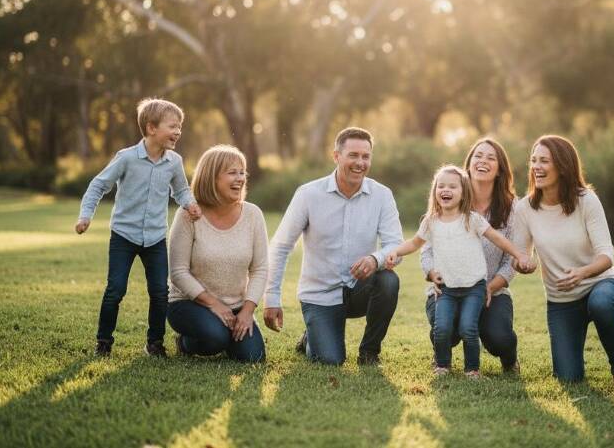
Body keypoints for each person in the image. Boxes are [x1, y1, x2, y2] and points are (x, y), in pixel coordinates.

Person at [263, 127, 403, 366]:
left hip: (358, 289)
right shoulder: (308, 194)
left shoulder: (382, 195)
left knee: (388, 280)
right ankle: (313, 334)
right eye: (353, 155)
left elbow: (395, 245)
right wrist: (272, 298)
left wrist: (374, 259)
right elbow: (281, 246)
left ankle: (369, 352)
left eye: (365, 156)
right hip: (320, 294)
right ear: (336, 156)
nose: (360, 162)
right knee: (330, 359)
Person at [76, 97, 201, 358]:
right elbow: (98, 185)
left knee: (159, 293)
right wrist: (85, 216)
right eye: (173, 126)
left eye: (180, 127)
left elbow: (181, 190)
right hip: (124, 235)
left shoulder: (175, 162)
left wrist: (190, 204)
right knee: (115, 290)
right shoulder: (127, 158)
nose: (178, 131)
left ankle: (154, 343)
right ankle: (104, 342)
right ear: (151, 127)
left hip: (155, 237)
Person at [386, 165, 534, 378]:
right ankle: (442, 365)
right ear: (435, 191)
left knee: (468, 328)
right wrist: (395, 252)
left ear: (464, 192)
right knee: (442, 327)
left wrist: (519, 255)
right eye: (441, 186)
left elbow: (498, 239)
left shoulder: (471, 219)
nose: (446, 190)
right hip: (446, 288)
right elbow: (415, 243)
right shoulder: (431, 222)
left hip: (474, 287)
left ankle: (472, 369)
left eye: (453, 186)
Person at [514, 135, 614, 391]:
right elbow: (524, 255)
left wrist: (582, 273)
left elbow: (606, 256)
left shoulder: (586, 200)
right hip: (562, 301)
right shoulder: (524, 209)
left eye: (544, 161)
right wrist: (523, 264)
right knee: (569, 378)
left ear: (563, 165)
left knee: (600, 304)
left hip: (601, 284)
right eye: (534, 160)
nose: (537, 166)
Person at [421, 138, 527, 374]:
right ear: (468, 165)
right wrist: (432, 273)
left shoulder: (512, 209)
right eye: (478, 156)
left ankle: (510, 360)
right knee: (445, 329)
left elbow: (511, 261)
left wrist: (488, 288)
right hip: (449, 288)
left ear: (500, 170)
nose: (483, 161)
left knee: (499, 337)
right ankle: (442, 354)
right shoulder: (448, 200)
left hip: (491, 289)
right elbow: (427, 250)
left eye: (491, 158)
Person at [167, 145, 268, 363]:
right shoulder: (188, 215)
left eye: (242, 172)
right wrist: (214, 304)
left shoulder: (253, 214)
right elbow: (178, 272)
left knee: (253, 357)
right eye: (232, 172)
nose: (240, 178)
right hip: (189, 303)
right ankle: (184, 343)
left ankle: (229, 335)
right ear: (211, 178)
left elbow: (260, 269)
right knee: (215, 338)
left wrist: (247, 310)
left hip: (236, 306)